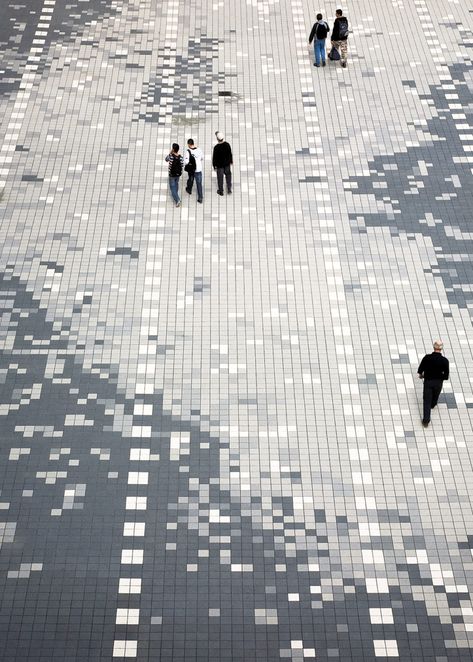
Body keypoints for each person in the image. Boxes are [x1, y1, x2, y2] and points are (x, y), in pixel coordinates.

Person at [417, 341, 450, 428]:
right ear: (441, 348)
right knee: (436, 395)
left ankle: (426, 420)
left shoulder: (427, 358)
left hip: (428, 381)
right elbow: (446, 376)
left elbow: (421, 369)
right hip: (438, 382)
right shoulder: (445, 361)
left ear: (433, 347)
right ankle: (433, 404)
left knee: (426, 400)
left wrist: (421, 375)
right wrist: (441, 377)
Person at [184, 138, 204, 203]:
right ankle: (200, 198)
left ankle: (189, 190)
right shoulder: (199, 149)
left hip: (192, 170)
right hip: (198, 170)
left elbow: (186, 162)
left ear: (189, 144)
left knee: (191, 179)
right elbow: (202, 158)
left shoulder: (188, 151)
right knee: (199, 184)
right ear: (193, 143)